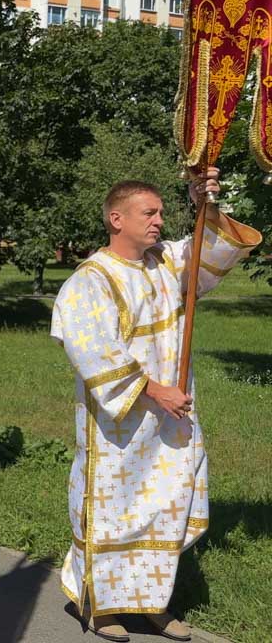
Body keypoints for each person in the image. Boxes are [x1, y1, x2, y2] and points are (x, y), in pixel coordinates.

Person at [52, 169, 261, 642]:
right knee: (114, 511)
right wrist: (153, 390)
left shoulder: (166, 263)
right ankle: (100, 607)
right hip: (118, 425)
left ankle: (150, 603)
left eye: (162, 213)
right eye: (149, 213)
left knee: (163, 505)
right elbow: (91, 349)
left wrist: (206, 202)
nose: (159, 222)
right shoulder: (92, 278)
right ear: (116, 218)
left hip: (169, 420)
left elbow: (215, 253)